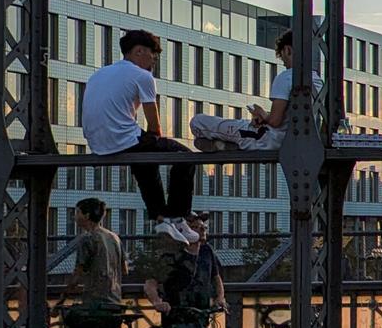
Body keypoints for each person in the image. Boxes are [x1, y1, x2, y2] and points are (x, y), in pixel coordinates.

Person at [84, 29, 198, 243]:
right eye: (151, 56)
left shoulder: (98, 74)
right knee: (185, 157)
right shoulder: (142, 76)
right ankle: (177, 216)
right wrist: (156, 136)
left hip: (98, 144)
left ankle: (161, 218)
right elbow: (153, 120)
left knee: (145, 158)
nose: (153, 62)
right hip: (122, 139)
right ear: (138, 51)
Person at [189, 29, 322, 151]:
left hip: (268, 139)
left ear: (288, 50)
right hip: (301, 142)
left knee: (198, 122)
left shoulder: (286, 77)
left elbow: (275, 121)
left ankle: (221, 144)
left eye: (282, 57)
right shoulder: (317, 81)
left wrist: (263, 114)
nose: (283, 63)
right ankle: (225, 145)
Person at [141, 212, 225, 328]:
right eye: (196, 227)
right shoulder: (171, 254)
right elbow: (151, 282)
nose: (202, 229)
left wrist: (220, 297)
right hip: (178, 319)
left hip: (200, 317)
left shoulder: (207, 251)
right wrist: (157, 302)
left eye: (203, 226)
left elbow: (216, 278)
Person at [60, 197, 126, 328]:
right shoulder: (114, 237)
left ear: (87, 215)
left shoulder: (88, 239)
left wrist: (64, 296)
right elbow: (124, 269)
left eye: (77, 212)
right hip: (115, 304)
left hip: (96, 306)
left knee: (71, 316)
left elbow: (78, 273)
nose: (74, 216)